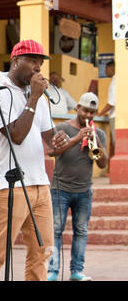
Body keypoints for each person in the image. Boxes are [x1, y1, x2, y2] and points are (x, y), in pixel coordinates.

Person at [0, 39, 69, 281]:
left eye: (40, 63)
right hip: (8, 186)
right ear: (16, 61)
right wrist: (33, 99)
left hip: (39, 184)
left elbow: (49, 139)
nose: (38, 68)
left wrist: (60, 141)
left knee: (42, 251)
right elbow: (16, 135)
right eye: (32, 61)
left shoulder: (38, 97)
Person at [47, 92, 108, 281]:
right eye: (85, 111)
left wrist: (96, 143)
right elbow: (52, 152)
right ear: (77, 109)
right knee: (56, 230)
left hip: (84, 191)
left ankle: (76, 271)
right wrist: (76, 138)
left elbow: (102, 164)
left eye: (92, 112)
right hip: (60, 189)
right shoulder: (62, 128)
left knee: (81, 231)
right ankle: (53, 271)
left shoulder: (99, 133)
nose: (88, 115)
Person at [97, 61, 115, 158]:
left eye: (106, 68)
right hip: (114, 115)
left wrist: (99, 114)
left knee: (115, 140)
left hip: (115, 117)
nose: (105, 71)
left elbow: (111, 103)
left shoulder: (114, 82)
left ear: (113, 69)